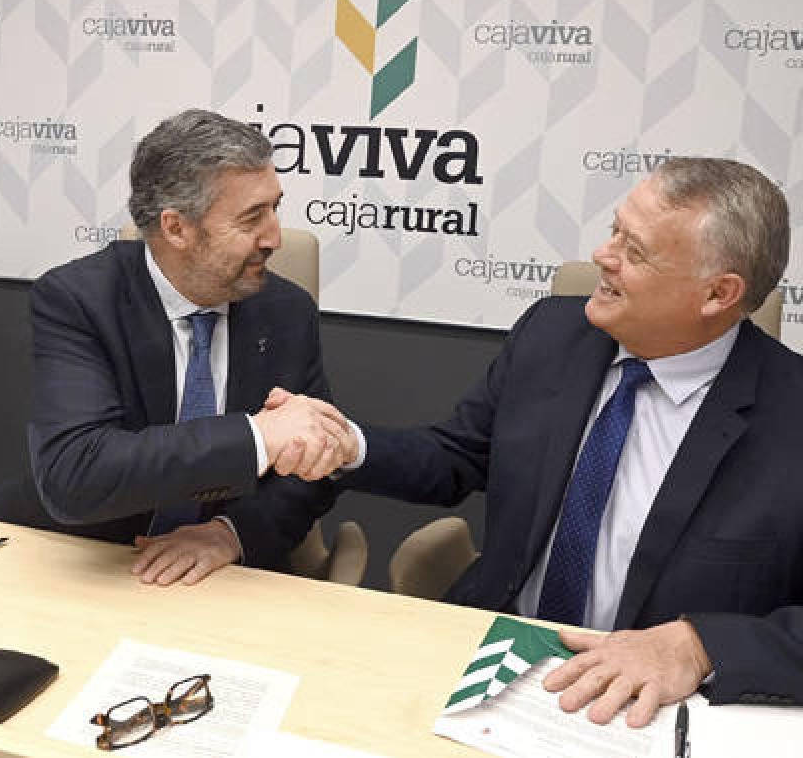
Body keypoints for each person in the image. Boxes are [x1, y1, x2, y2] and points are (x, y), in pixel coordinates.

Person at [273, 157, 803, 724]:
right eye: (615, 231)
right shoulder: (552, 334)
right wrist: (347, 443)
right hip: (500, 663)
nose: (603, 255)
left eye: (636, 251)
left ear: (718, 293)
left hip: (660, 708)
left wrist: (700, 646)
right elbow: (456, 457)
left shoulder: (790, 416)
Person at [25, 108, 353, 586]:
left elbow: (314, 469)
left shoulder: (287, 310)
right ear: (176, 228)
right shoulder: (79, 301)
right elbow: (77, 471)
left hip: (223, 581)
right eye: (252, 218)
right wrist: (257, 437)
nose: (275, 237)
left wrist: (230, 534)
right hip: (94, 564)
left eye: (275, 208)